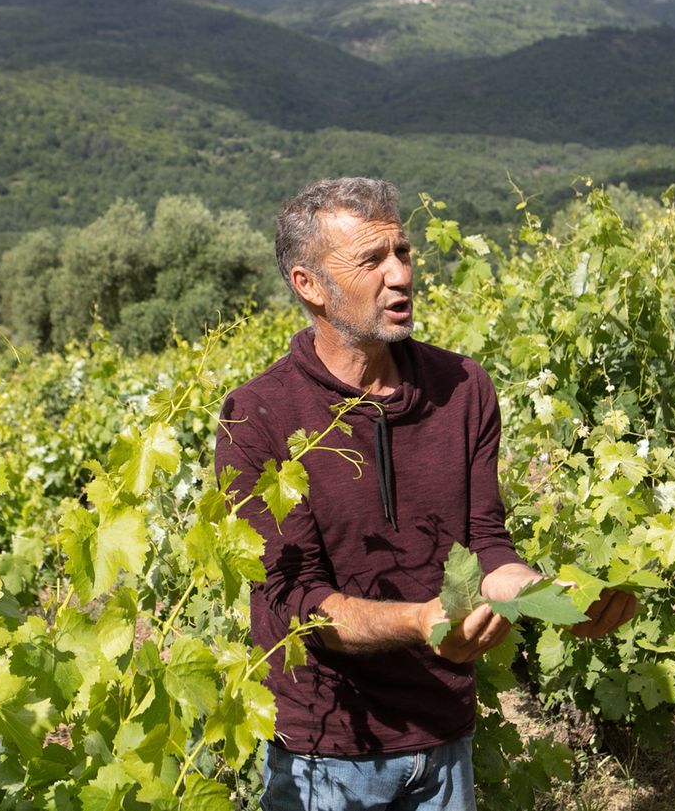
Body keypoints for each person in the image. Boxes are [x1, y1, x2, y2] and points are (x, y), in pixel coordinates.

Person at [215, 177, 636, 810]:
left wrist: (556, 600)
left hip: (444, 737)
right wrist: (419, 622)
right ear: (309, 285)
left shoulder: (463, 387)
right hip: (325, 755)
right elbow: (295, 602)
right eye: (372, 260)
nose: (401, 275)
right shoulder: (258, 416)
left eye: (403, 252)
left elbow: (486, 545)